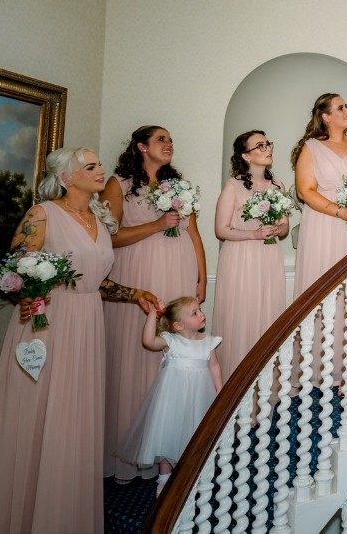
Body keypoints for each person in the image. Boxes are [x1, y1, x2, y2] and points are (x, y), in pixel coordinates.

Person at [0, 147, 159, 533]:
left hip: (88, 322)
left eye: (99, 164)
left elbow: (92, 280)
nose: (100, 170)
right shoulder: (42, 215)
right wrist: (25, 297)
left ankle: (65, 515)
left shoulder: (99, 218)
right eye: (90, 166)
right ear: (67, 178)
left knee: (76, 416)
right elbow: (15, 270)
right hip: (47, 324)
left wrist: (133, 293)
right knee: (41, 414)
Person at [101, 125, 208, 482]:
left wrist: (201, 278)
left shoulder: (178, 185)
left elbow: (193, 234)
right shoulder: (118, 184)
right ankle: (131, 456)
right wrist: (157, 224)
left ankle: (172, 448)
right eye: (161, 139)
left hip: (178, 276)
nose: (169, 144)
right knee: (135, 357)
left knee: (174, 357)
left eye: (171, 139)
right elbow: (110, 237)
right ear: (141, 146)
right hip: (139, 276)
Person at [292, 92, 347, 382]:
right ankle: (325, 365)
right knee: (328, 292)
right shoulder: (312, 148)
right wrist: (340, 211)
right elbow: (305, 191)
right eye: (340, 107)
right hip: (326, 227)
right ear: (326, 117)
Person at [115, 296, 222, 496]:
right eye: (195, 312)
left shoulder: (208, 342)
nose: (202, 314)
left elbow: (214, 366)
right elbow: (148, 341)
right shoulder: (171, 341)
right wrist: (153, 315)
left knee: (195, 435)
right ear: (179, 325)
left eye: (199, 310)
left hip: (199, 398)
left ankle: (194, 477)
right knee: (168, 434)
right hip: (172, 399)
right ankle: (164, 479)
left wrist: (219, 390)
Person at [212, 130, 289, 383]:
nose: (268, 148)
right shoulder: (233, 186)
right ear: (245, 155)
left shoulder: (278, 186)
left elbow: (285, 227)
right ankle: (236, 386)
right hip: (241, 259)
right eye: (260, 145)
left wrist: (277, 228)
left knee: (267, 316)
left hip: (269, 258)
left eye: (268, 143)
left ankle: (264, 388)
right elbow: (221, 230)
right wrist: (254, 234)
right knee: (242, 318)